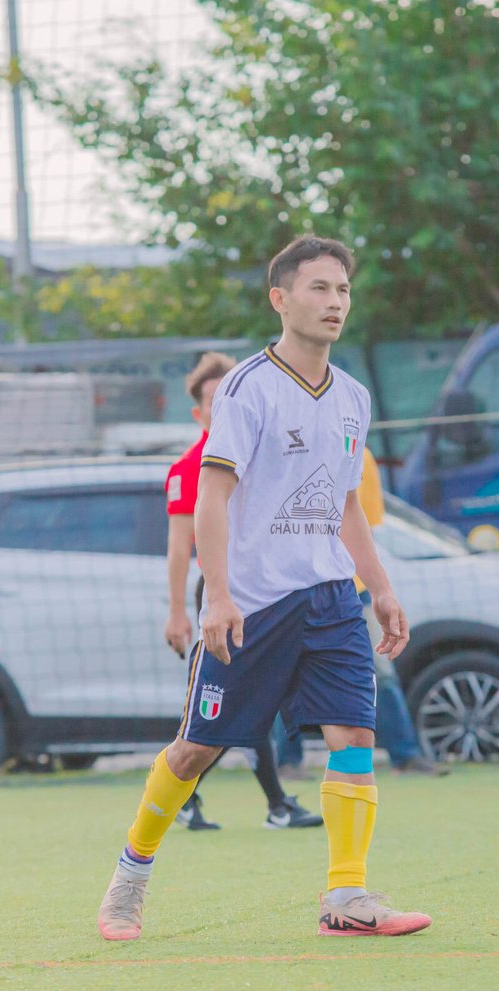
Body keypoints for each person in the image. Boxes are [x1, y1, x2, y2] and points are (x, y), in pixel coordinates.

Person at [98, 235, 431, 941]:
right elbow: (211, 497)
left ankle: (346, 895)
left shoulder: (354, 397)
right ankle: (129, 877)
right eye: (319, 288)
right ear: (280, 298)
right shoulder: (248, 387)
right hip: (253, 607)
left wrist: (381, 588)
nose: (335, 302)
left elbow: (345, 504)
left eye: (343, 289)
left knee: (354, 735)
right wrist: (217, 596)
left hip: (332, 599)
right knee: (195, 750)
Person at [163, 352, 321, 832]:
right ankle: (263, 802)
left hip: (274, 589)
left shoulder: (268, 451)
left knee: (254, 700)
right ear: (199, 414)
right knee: (235, 701)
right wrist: (178, 611)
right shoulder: (189, 469)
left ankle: (253, 802)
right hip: (224, 592)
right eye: (215, 401)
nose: (228, 406)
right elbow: (179, 546)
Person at [275, 447, 447, 778]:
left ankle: (406, 756)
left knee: (381, 671)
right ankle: (287, 762)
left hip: (353, 590)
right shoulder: (289, 446)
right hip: (296, 589)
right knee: (287, 674)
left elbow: (362, 521)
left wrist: (380, 587)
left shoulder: (359, 453)